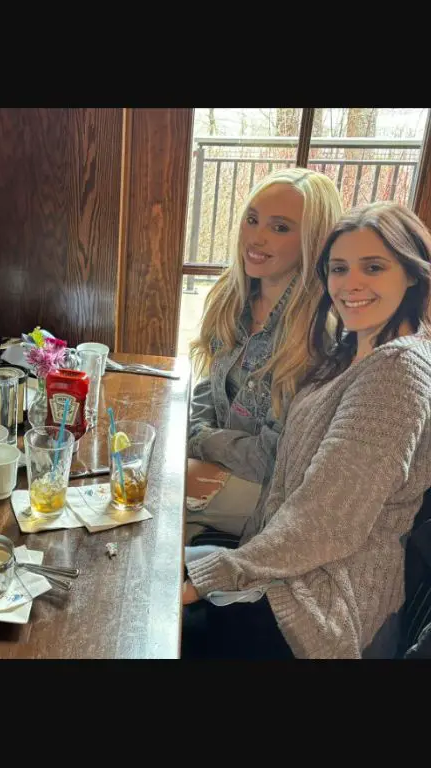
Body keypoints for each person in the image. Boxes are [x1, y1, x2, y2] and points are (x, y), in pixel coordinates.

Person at [181, 201, 431, 659]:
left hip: (322, 607)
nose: (350, 284)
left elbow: (327, 521)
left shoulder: (397, 370)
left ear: (412, 273)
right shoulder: (349, 352)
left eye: (373, 267)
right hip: (280, 569)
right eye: (338, 269)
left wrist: (222, 572)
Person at [186, 168, 342, 538]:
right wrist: (193, 434)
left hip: (272, 494)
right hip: (218, 461)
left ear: (314, 241)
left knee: (153, 495)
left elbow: (274, 457)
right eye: (252, 220)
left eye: (280, 227)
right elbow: (209, 387)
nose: (256, 237)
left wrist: (200, 442)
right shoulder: (231, 297)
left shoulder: (318, 335)